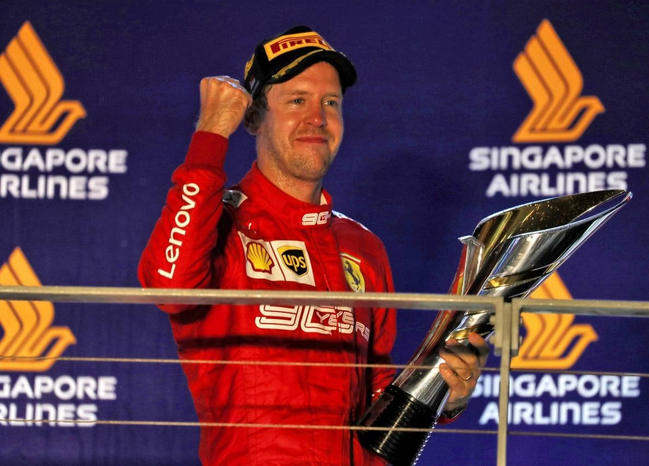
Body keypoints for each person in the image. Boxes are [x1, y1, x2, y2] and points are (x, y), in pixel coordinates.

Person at [138, 25, 489, 465]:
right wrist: (210, 135)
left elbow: (377, 395)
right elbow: (167, 284)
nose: (318, 118)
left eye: (331, 102)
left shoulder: (364, 247)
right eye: (297, 100)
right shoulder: (219, 224)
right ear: (253, 118)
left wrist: (446, 394)